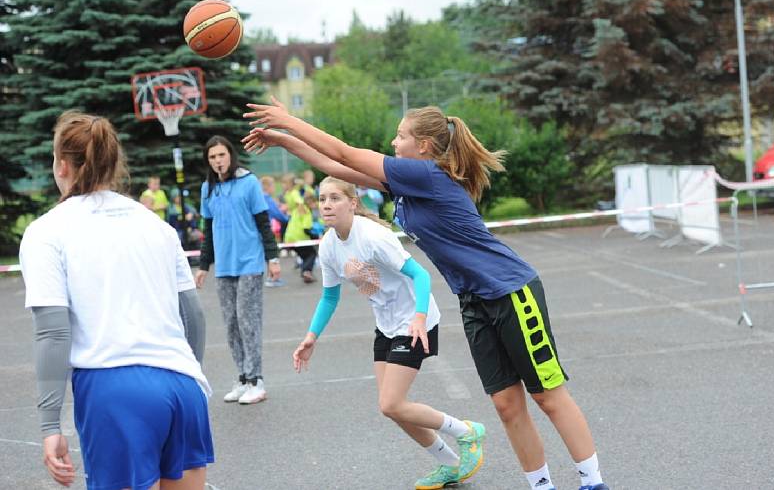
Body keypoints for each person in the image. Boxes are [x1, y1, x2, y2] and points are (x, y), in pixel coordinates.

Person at [243, 98, 609, 490]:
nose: (393, 142)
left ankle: (592, 482)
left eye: (401, 136)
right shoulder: (405, 184)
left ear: (424, 147)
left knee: (547, 396)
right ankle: (542, 486)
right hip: (473, 301)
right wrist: (284, 140)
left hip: (510, 290)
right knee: (506, 405)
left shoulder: (429, 176)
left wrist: (288, 121)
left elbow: (345, 151)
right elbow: (335, 167)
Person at [19, 111, 213, 490]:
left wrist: (49, 425)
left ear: (61, 165)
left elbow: (54, 334)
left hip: (115, 390)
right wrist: (188, 374)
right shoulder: (156, 226)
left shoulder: (46, 232)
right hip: (183, 386)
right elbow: (195, 317)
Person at [293, 176, 485, 489]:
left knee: (391, 403)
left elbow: (420, 275)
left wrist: (420, 318)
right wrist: (311, 337)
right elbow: (330, 296)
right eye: (322, 198)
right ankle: (450, 463)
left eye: (334, 198)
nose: (326, 204)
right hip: (386, 324)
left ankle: (466, 431)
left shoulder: (372, 236)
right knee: (392, 409)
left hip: (414, 321)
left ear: (352, 203)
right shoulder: (328, 245)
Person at [195, 135, 281, 405]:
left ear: (230, 155)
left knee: (247, 321)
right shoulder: (208, 189)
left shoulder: (249, 183)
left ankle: (257, 380)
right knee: (231, 323)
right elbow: (208, 231)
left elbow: (263, 223)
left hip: (250, 262)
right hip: (225, 266)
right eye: (212, 157)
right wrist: (203, 266)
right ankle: (243, 377)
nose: (218, 161)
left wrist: (273, 258)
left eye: (221, 155)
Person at [283, 191, 321, 283]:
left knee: (305, 256)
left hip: (289, 238)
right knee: (312, 253)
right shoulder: (306, 211)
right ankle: (307, 272)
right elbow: (306, 229)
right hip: (299, 238)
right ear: (311, 202)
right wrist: (316, 237)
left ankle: (305, 272)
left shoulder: (297, 209)